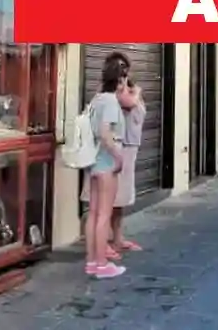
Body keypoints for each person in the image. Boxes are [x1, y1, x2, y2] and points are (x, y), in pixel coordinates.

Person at [83, 61, 126, 278]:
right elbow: (105, 132)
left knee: (93, 213)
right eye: (124, 79)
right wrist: (119, 157)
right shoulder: (110, 101)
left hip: (93, 161)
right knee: (104, 215)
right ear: (119, 80)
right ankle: (102, 264)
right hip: (107, 162)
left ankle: (91, 261)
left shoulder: (96, 100)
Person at [109, 51, 145, 257]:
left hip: (131, 147)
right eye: (121, 69)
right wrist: (135, 92)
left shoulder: (126, 88)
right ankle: (106, 241)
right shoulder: (116, 90)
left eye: (126, 69)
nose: (125, 73)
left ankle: (118, 238)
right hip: (121, 147)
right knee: (114, 197)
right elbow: (129, 103)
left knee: (121, 198)